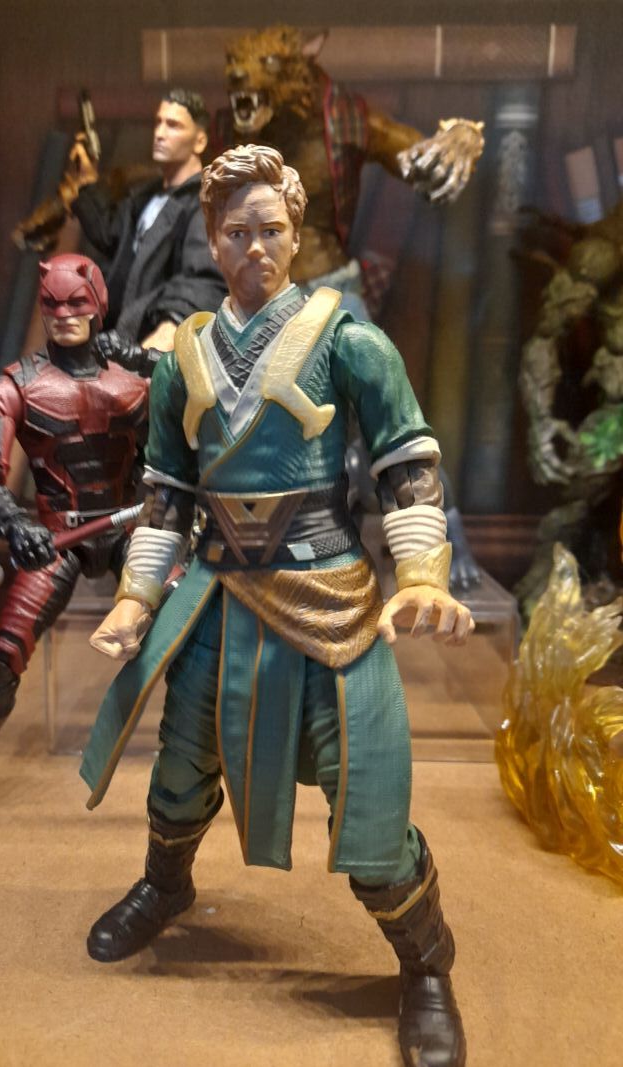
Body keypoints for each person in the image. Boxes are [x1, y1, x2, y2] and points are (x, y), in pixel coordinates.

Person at [81, 146, 474, 1067]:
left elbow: (407, 462)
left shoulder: (350, 340)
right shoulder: (181, 355)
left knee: (368, 803)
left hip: (328, 602)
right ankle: (166, 885)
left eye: (270, 229)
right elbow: (167, 492)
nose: (253, 246)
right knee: (179, 769)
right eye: (235, 231)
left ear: (297, 235)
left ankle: (425, 961)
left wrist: (421, 574)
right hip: (216, 600)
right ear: (211, 240)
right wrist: (136, 597)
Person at [0, 253, 149, 853]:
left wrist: (160, 367)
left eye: (77, 302)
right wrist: (16, 526)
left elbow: (184, 449)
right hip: (53, 536)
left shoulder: (137, 380)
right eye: (53, 304)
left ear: (98, 305)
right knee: (3, 657)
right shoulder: (11, 386)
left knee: (197, 634)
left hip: (131, 530)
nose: (64, 314)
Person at [62, 88, 227, 350]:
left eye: (173, 125)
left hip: (159, 341)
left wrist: (171, 325)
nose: (160, 133)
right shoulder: (146, 197)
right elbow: (112, 235)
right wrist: (87, 184)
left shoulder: (203, 201)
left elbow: (203, 278)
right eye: (158, 122)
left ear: (199, 141)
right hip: (120, 335)